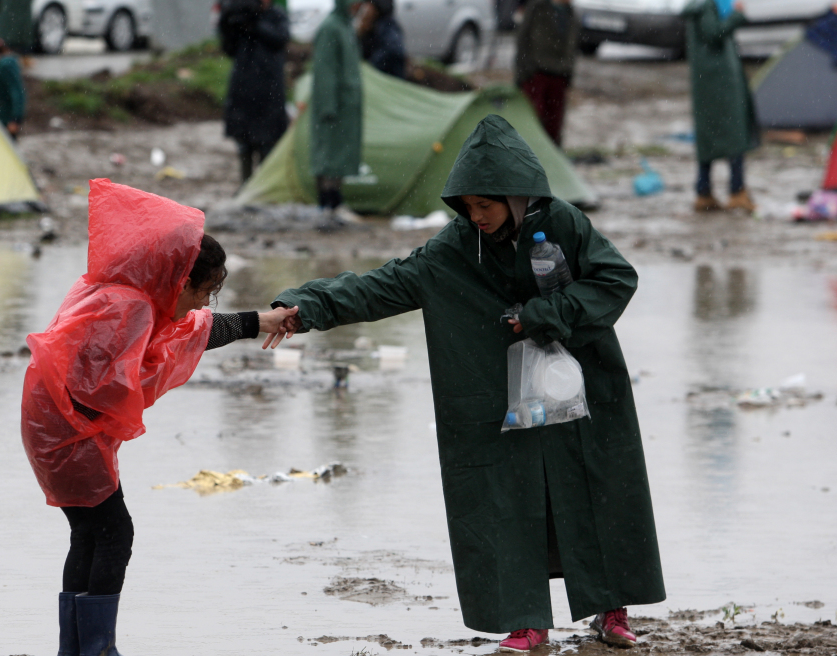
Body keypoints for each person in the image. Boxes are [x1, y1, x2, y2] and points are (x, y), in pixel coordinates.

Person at [264, 115, 666, 653]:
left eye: (486, 205)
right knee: (508, 497)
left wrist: (547, 314)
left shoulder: (565, 225)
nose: (476, 217)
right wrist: (304, 307)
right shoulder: (454, 249)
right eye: (468, 207)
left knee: (597, 489)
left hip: (581, 389)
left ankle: (610, 611)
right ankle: (526, 621)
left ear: (516, 196)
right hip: (499, 400)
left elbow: (617, 279)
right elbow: (382, 286)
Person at [21, 180, 299, 656]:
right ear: (179, 280)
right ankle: (97, 649)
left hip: (61, 426)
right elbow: (99, 383)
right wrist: (126, 401)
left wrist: (259, 321)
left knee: (89, 531)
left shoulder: (134, 297)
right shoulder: (125, 308)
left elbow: (190, 333)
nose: (201, 304)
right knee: (113, 532)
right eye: (204, 291)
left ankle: (78, 650)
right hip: (69, 431)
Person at [683, 0, 759, 212]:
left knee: (712, 137)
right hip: (718, 84)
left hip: (714, 82)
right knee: (733, 134)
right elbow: (713, 34)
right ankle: (735, 191)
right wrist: (737, 16)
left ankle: (705, 191)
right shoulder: (706, 6)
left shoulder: (703, 5)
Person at [219, 0, 290, 184]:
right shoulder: (242, 16)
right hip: (243, 89)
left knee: (267, 143)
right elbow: (228, 48)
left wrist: (256, 24)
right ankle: (246, 185)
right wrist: (227, 21)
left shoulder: (276, 15)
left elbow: (280, 38)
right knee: (244, 143)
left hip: (269, 92)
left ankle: (263, 186)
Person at [310, 0, 363, 215]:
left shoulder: (346, 26)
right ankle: (327, 203)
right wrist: (327, 106)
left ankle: (335, 203)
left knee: (341, 156)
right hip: (333, 107)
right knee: (328, 156)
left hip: (347, 107)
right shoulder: (330, 28)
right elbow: (325, 70)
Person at [514, 0, 579, 146]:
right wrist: (523, 72)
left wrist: (568, 73)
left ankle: (550, 158)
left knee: (554, 124)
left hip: (559, 76)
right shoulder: (538, 7)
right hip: (537, 73)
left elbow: (572, 47)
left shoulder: (572, 14)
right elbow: (522, 39)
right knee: (533, 119)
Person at [356, 0, 406, 79]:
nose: (365, 8)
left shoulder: (386, 27)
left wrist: (372, 66)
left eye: (368, 4)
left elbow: (393, 50)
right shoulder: (369, 27)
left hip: (388, 80)